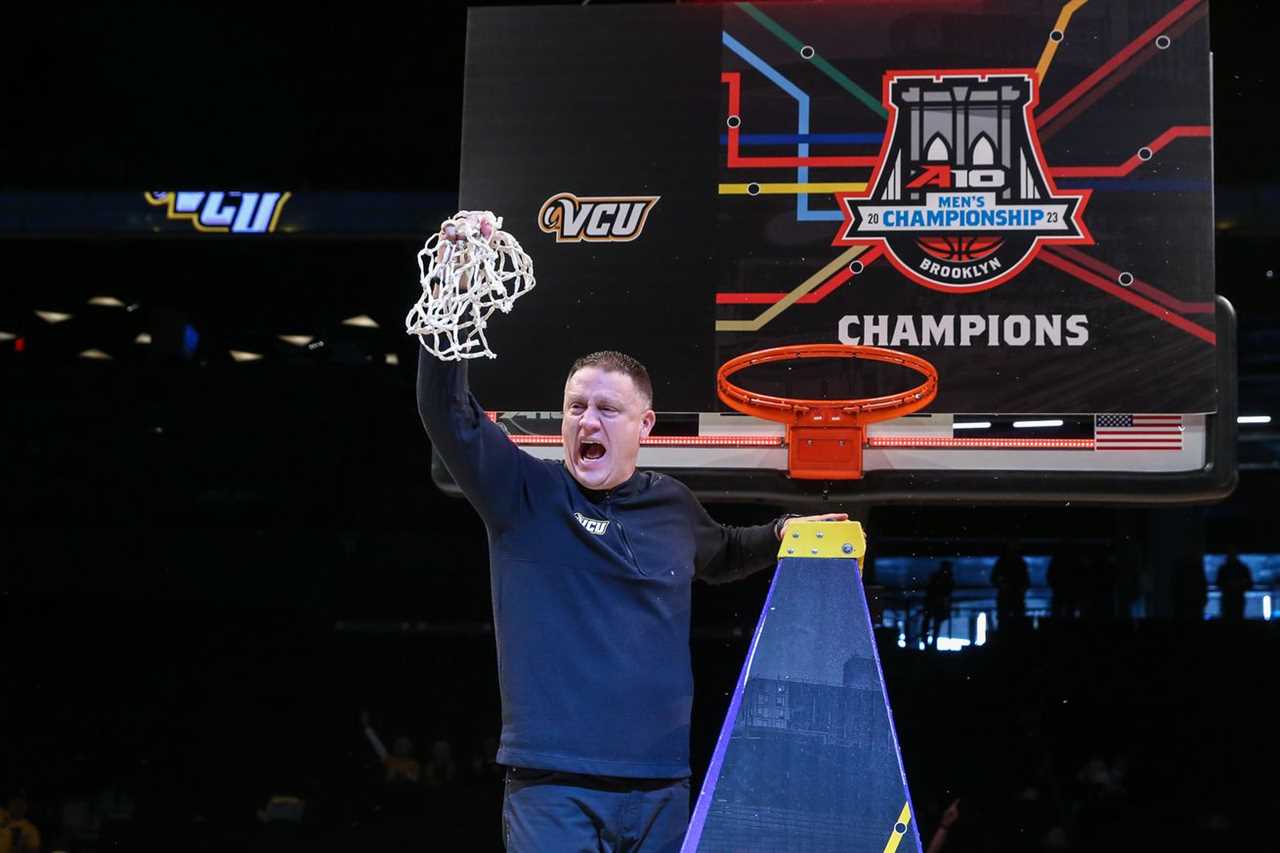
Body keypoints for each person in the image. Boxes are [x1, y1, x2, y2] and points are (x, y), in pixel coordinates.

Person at [416, 213, 846, 853]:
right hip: (551, 788)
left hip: (661, 788)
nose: (586, 420)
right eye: (575, 407)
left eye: (606, 409)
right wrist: (450, 291)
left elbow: (725, 553)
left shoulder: (671, 504)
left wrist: (786, 531)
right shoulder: (522, 492)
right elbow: (446, 415)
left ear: (644, 426)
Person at [990, 541, 1030, 631]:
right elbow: (1027, 581)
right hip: (1014, 597)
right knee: (1017, 622)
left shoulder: (1003, 562)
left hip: (1008, 597)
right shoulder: (1020, 562)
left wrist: (1002, 586)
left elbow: (993, 578)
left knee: (1006, 622)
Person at [922, 561, 955, 646]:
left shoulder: (936, 576)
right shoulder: (948, 577)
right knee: (936, 623)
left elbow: (929, 588)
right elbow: (948, 591)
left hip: (933, 602)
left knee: (929, 621)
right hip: (939, 603)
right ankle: (932, 641)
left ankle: (926, 640)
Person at [1216, 551, 1253, 621]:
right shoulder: (1243, 568)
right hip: (1237, 599)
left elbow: (1218, 583)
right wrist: (1240, 586)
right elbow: (1249, 584)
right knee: (1237, 617)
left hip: (1228, 599)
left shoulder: (1223, 568)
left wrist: (1228, 586)